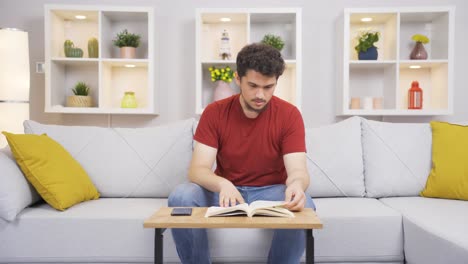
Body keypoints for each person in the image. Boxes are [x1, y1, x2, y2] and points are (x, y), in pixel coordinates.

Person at [168, 43, 315, 264]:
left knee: (307, 205)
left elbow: (298, 171)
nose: (260, 95)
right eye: (253, 85)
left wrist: (296, 185)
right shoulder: (215, 112)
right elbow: (197, 170)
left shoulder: (290, 115)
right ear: (238, 78)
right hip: (224, 193)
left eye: (268, 87)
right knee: (181, 196)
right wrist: (222, 184)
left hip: (271, 193)